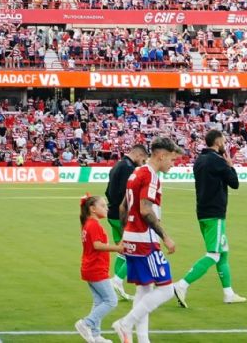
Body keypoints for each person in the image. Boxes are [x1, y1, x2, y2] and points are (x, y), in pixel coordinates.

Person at [111, 137, 182, 343]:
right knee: (167, 289)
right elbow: (145, 210)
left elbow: (123, 207)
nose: (173, 164)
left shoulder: (136, 172)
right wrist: (166, 237)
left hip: (132, 236)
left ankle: (142, 340)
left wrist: (126, 233)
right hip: (145, 240)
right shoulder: (150, 175)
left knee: (144, 290)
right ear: (162, 155)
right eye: (172, 159)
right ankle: (125, 323)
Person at [174, 130, 245, 308]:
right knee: (214, 254)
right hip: (215, 212)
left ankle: (228, 293)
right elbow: (234, 183)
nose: (225, 143)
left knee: (222, 254)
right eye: (224, 140)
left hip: (202, 211)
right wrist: (230, 165)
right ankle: (182, 285)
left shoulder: (199, 160)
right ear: (218, 141)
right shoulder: (218, 161)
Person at [104, 144, 148, 301]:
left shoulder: (117, 165)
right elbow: (127, 194)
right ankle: (117, 280)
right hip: (122, 216)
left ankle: (114, 286)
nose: (142, 163)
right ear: (138, 155)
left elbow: (108, 191)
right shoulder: (129, 168)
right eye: (143, 159)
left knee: (122, 250)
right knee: (133, 250)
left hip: (112, 214)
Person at [75, 194, 121, 343]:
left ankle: (95, 335)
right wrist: (117, 248)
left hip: (91, 267)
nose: (106, 208)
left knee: (99, 301)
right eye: (103, 205)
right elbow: (97, 245)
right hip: (96, 268)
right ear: (93, 209)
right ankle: (86, 323)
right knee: (111, 301)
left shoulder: (88, 223)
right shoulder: (93, 224)